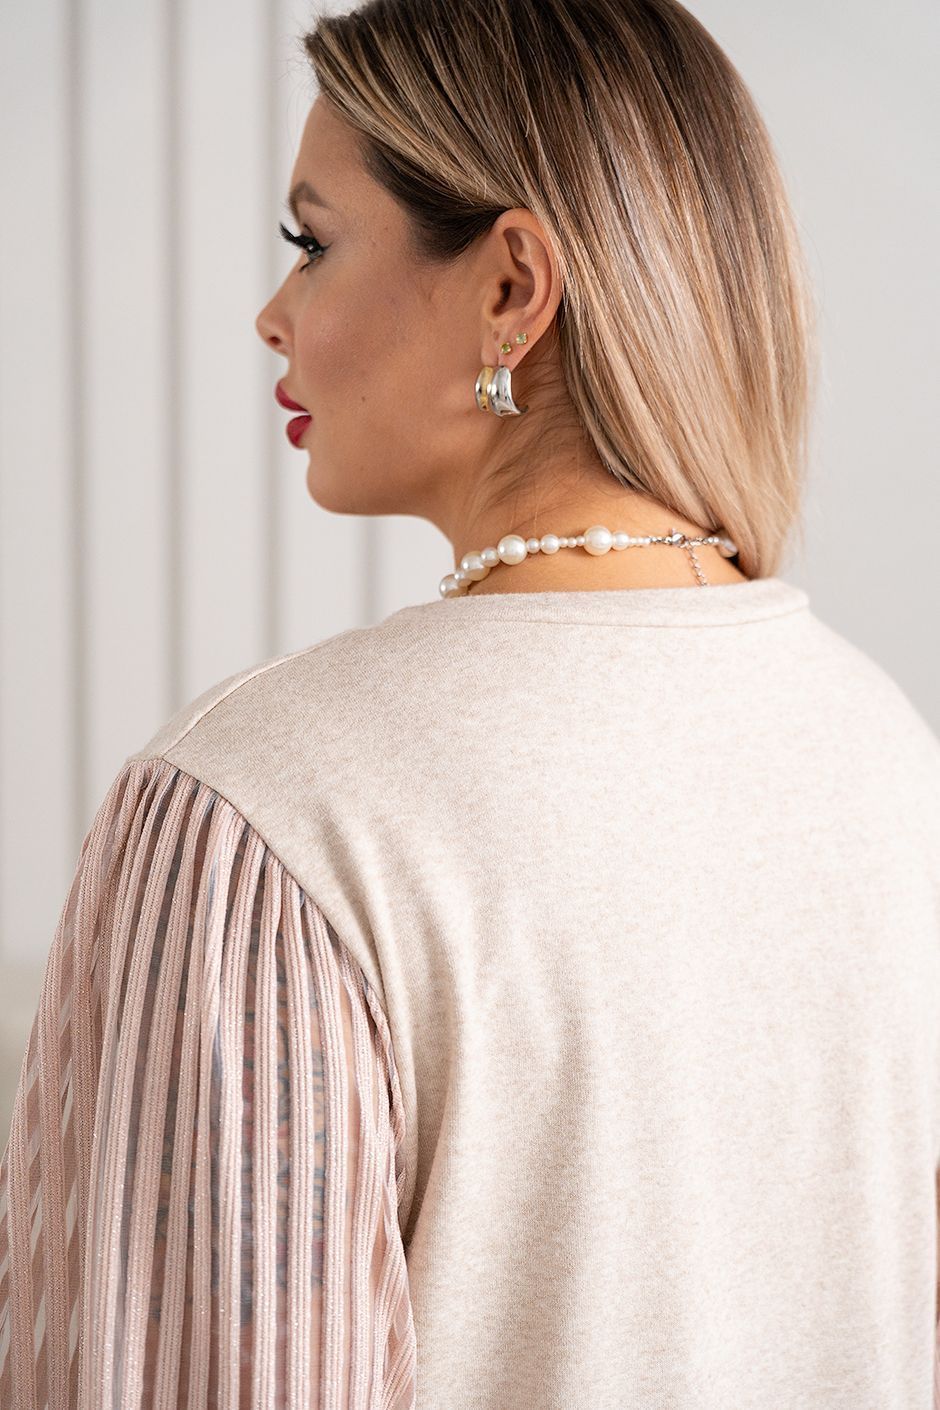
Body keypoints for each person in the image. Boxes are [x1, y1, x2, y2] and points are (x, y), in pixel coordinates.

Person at [1, 0, 938, 1405]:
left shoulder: (266, 809)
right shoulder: (885, 753)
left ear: (510, 288)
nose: (273, 313)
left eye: (311, 242)